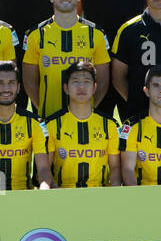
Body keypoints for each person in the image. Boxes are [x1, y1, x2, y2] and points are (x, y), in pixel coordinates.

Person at [22, 0, 111, 119]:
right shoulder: (35, 34)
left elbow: (103, 81)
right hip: (48, 118)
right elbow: (29, 81)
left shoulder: (96, 34)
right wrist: (44, 109)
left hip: (85, 118)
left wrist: (88, 107)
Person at [0, 61, 53, 192]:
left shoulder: (34, 123)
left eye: (11, 83)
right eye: (0, 83)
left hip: (23, 196)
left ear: (18, 87)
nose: (6, 88)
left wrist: (44, 186)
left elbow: (44, 168)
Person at [43, 60, 121, 188]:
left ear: (94, 88)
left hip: (100, 196)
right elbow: (45, 169)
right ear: (66, 88)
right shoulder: (52, 124)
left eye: (87, 81)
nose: (81, 87)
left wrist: (113, 191)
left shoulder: (110, 125)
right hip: (63, 195)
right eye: (75, 82)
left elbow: (115, 168)